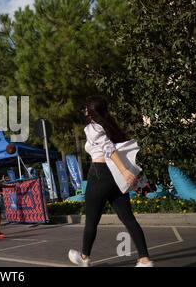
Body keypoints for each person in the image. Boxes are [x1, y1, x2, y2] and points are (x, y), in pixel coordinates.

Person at [68, 95, 153, 267]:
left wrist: (125, 171)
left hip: (100, 175)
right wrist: (124, 172)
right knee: (128, 219)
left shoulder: (92, 127)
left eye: (86, 108)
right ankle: (144, 260)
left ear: (91, 111)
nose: (84, 110)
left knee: (92, 220)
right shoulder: (110, 126)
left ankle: (84, 258)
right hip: (116, 178)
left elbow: (109, 149)